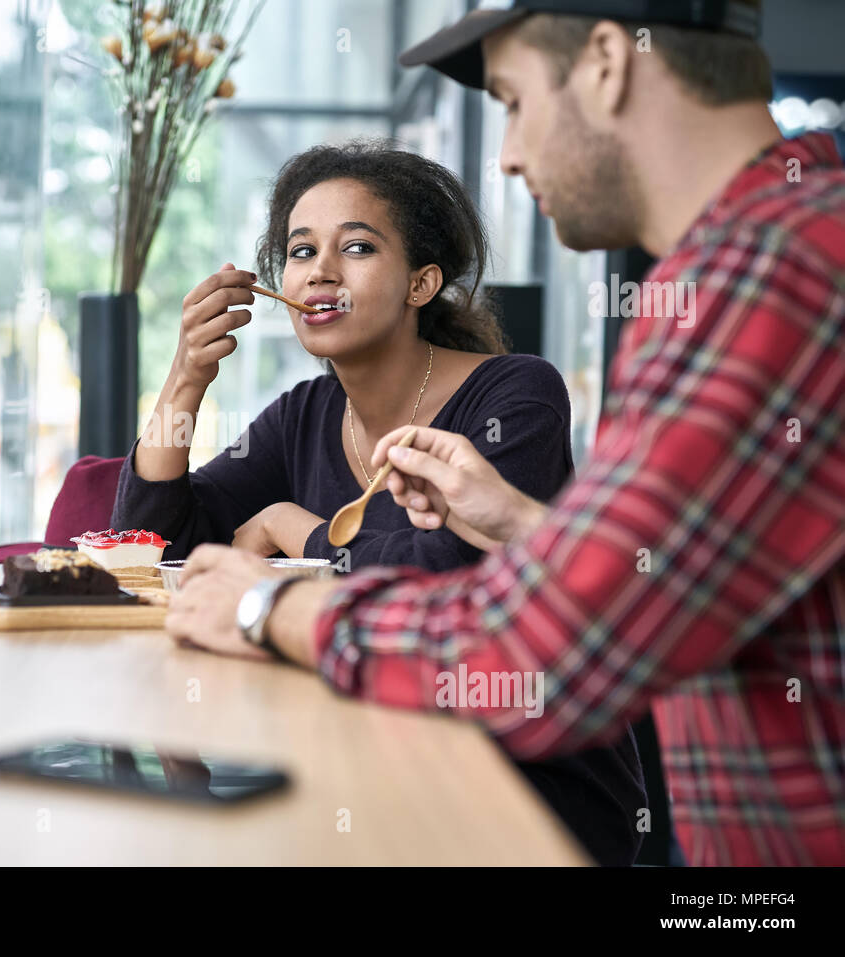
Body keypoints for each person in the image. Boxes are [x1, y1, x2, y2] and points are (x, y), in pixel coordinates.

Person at [167, 0, 845, 866]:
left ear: (608, 61)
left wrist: (268, 603)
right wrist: (526, 525)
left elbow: (540, 652)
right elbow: (664, 587)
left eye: (517, 102)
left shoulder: (767, 279)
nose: (511, 153)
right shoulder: (776, 251)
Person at [115, 142, 646, 864]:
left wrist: (291, 528)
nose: (320, 270)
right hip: (367, 774)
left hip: (526, 794)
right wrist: (182, 382)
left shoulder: (517, 394)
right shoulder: (305, 412)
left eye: (357, 246)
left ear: (421, 283)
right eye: (300, 251)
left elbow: (443, 576)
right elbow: (153, 548)